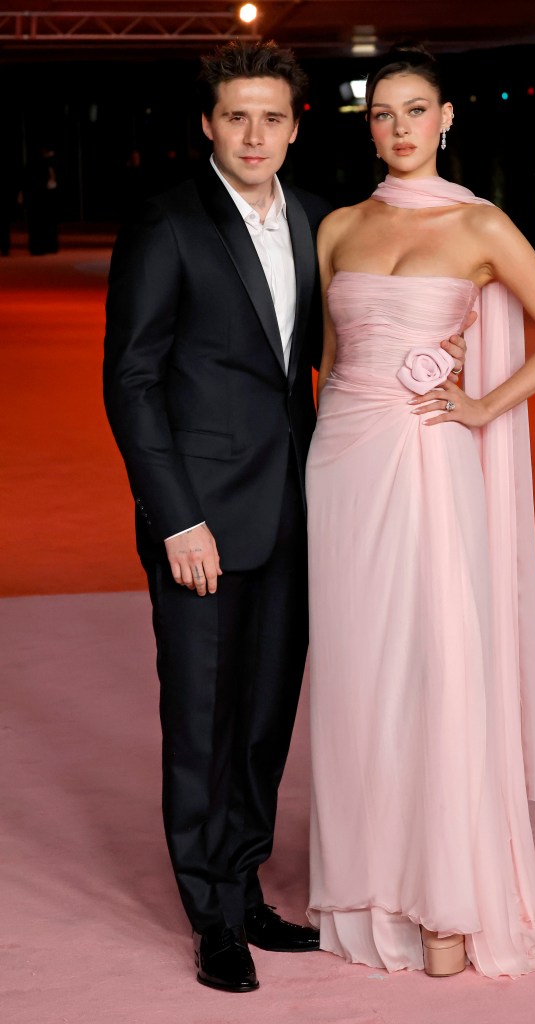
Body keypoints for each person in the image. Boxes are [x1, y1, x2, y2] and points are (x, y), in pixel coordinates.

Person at [306, 46, 535, 980]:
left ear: (445, 119)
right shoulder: (338, 228)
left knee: (437, 665)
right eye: (382, 113)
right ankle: (369, 886)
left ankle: (447, 897)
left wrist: (480, 406)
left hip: (430, 461)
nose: (397, 127)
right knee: (357, 673)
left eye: (414, 109)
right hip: (341, 463)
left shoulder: (479, 222)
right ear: (369, 125)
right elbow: (324, 357)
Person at [103, 41, 329, 994]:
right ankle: (210, 919)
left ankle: (243, 886)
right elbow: (132, 380)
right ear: (207, 123)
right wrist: (175, 519)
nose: (253, 134)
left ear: (293, 125)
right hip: (199, 520)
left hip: (296, 507)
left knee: (265, 717)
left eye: (271, 117)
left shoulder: (315, 220)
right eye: (235, 115)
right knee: (201, 719)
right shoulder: (168, 220)